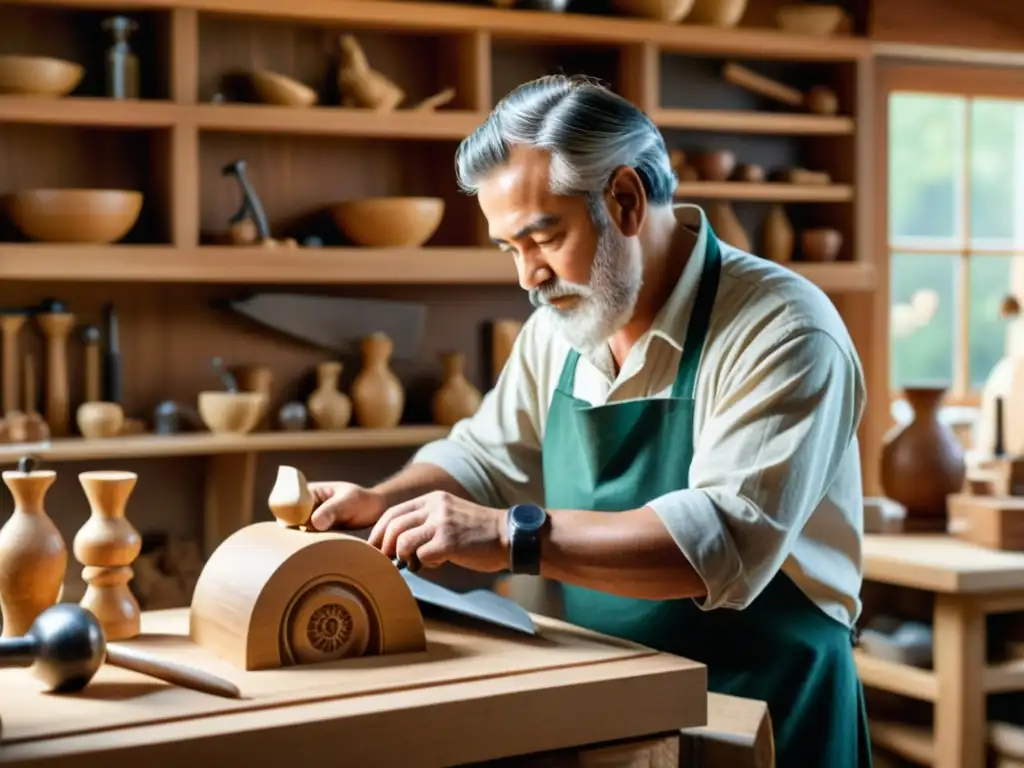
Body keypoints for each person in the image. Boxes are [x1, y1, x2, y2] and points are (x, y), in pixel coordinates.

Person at [308, 74, 871, 767]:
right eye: (509, 249)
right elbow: (486, 456)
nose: (527, 278)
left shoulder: (784, 329)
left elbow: (722, 540)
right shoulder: (564, 327)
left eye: (543, 238)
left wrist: (503, 535)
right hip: (620, 706)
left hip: (772, 715)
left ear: (626, 200)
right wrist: (381, 502)